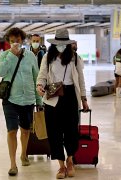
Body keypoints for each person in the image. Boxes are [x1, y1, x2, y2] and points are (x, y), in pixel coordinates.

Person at [36, 28, 89, 179]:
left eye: (64, 44)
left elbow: (81, 79)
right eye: (58, 43)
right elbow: (42, 75)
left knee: (71, 130)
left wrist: (84, 98)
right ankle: (61, 166)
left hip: (71, 96)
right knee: (54, 132)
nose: (61, 46)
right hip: (53, 97)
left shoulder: (74, 57)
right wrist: (39, 85)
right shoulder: (47, 57)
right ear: (54, 44)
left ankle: (70, 160)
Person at [0, 27, 42, 176]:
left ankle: (23, 154)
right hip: (10, 99)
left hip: (28, 99)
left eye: (18, 40)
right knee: (11, 130)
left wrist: (39, 100)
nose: (15, 43)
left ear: (22, 40)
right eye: (12, 41)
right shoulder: (4, 56)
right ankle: (13, 164)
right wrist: (11, 55)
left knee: (25, 130)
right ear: (8, 42)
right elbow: (0, 72)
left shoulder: (30, 56)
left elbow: (36, 78)